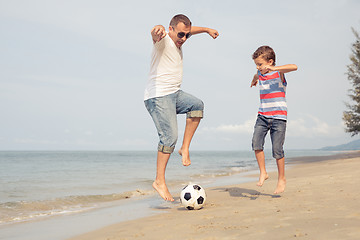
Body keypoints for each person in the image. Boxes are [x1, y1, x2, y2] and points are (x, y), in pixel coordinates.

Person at [144, 14, 219, 201]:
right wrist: (157, 29)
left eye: (186, 36)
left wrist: (207, 29)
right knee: (169, 137)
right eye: (180, 35)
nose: (183, 39)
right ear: (170, 30)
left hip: (175, 94)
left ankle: (184, 148)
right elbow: (155, 33)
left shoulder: (181, 37)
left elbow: (190, 30)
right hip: (158, 96)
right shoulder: (162, 41)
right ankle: (159, 181)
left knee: (197, 105)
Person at [250, 46, 297, 194]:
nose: (258, 67)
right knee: (256, 143)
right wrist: (254, 80)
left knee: (277, 150)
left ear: (270, 62)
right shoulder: (260, 73)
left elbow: (294, 67)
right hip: (262, 116)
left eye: (260, 64)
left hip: (279, 117)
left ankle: (281, 178)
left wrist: (274, 69)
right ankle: (263, 172)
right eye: (256, 65)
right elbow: (256, 75)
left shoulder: (279, 73)